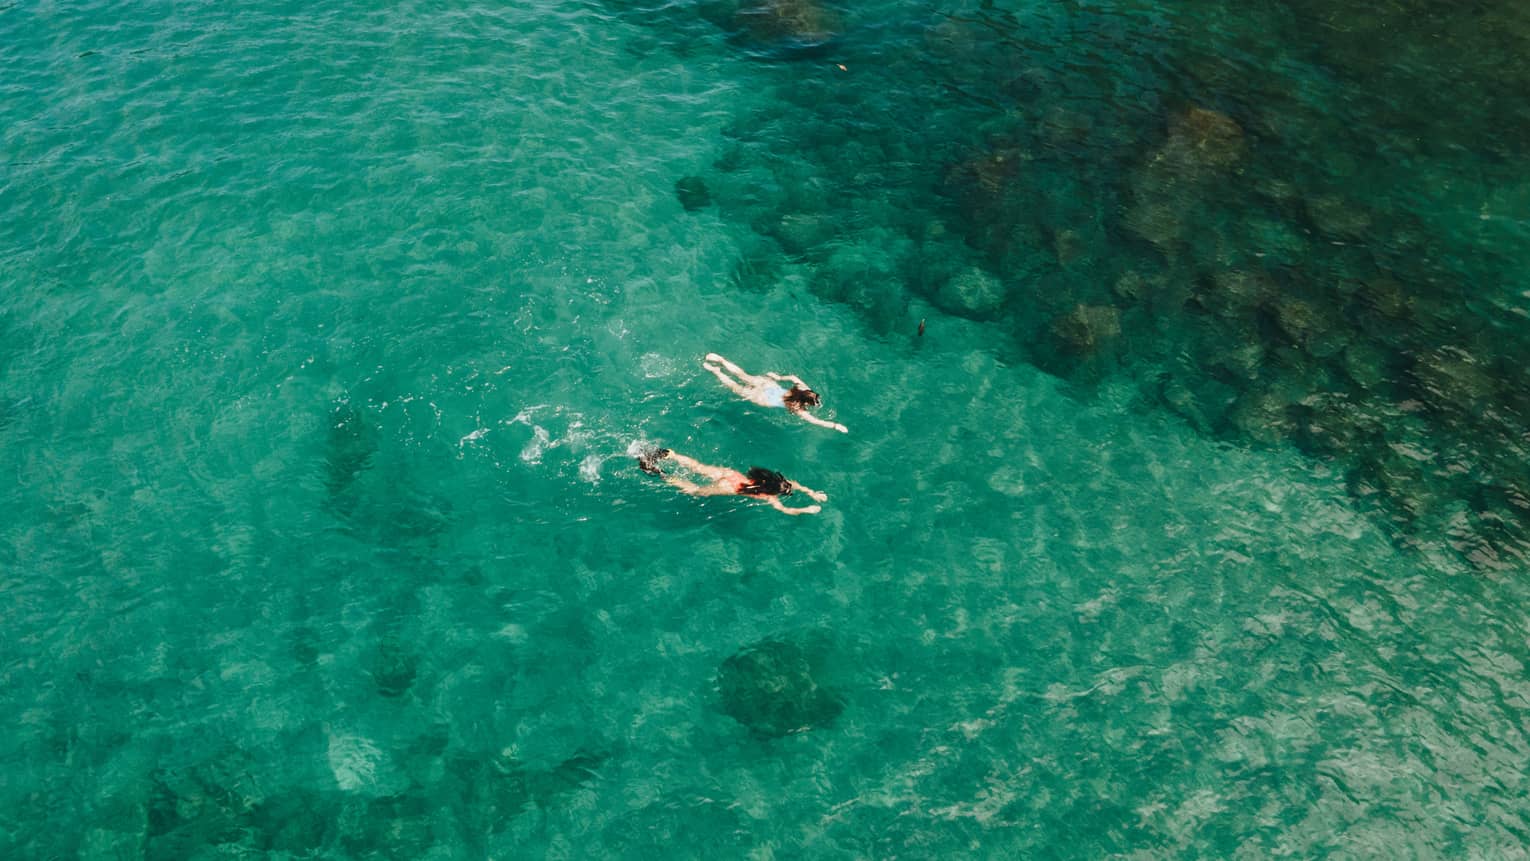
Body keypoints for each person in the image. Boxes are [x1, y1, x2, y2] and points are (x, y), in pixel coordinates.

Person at [637, 447, 826, 516]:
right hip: (729, 487)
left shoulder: (765, 477)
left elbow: (792, 483)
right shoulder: (766, 496)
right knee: (695, 490)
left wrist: (812, 492)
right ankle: (658, 473)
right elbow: (787, 510)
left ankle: (670, 454)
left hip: (731, 475)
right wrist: (806, 509)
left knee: (697, 466)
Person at [701, 352, 848, 433]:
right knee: (735, 387)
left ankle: (721, 360)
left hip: (767, 386)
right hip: (763, 398)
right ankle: (716, 372)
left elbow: (793, 377)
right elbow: (816, 421)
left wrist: (778, 377)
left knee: (743, 375)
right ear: (805, 403)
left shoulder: (802, 387)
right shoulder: (797, 408)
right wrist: (836, 425)